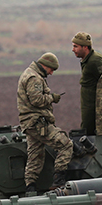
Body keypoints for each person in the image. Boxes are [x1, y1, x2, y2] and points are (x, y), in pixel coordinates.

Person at [17, 52, 73, 192]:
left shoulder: (30, 74)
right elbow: (36, 100)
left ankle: (30, 188)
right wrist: (51, 98)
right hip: (37, 122)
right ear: (45, 65)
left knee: (36, 155)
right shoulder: (34, 77)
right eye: (51, 69)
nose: (52, 73)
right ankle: (58, 181)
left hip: (30, 123)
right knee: (65, 144)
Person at [72, 32, 102, 136]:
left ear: (85, 47)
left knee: (89, 135)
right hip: (88, 107)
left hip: (94, 109)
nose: (73, 49)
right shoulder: (87, 60)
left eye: (76, 46)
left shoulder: (95, 61)